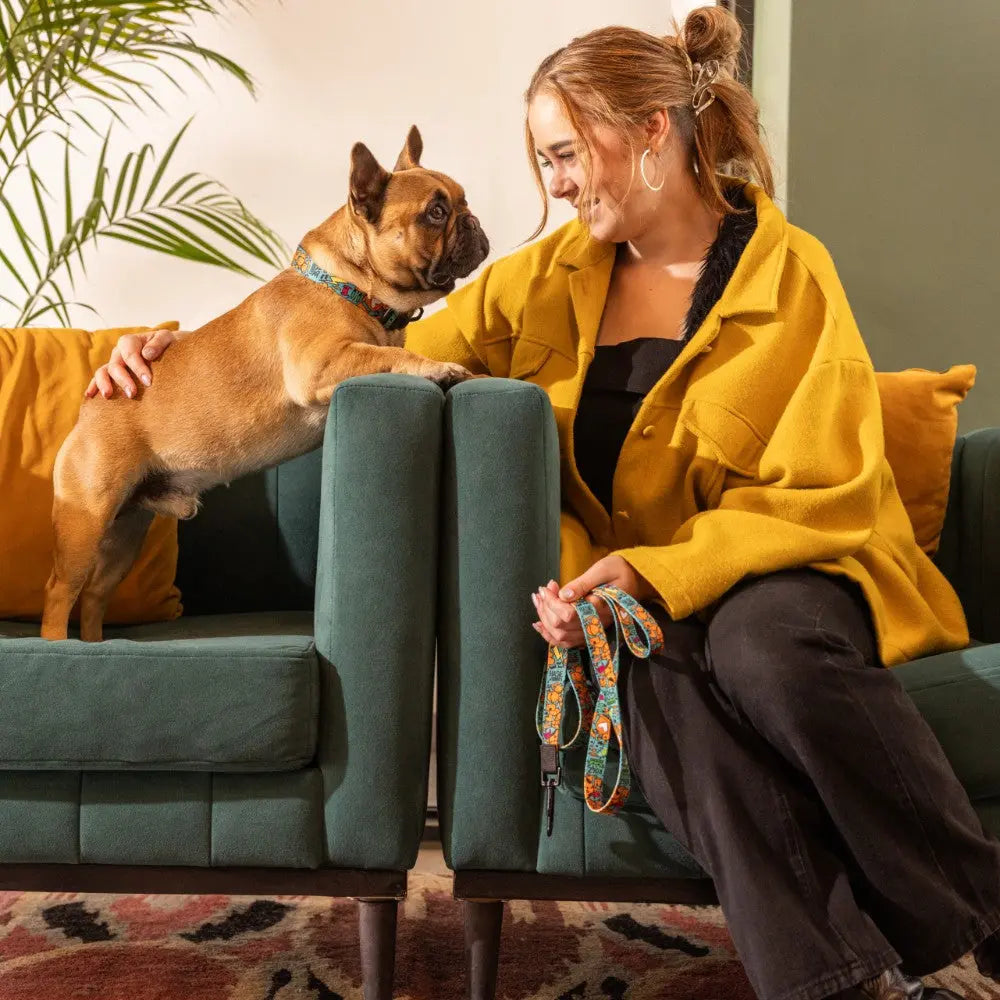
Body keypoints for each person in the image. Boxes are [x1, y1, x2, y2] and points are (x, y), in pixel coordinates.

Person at [86, 8, 1000, 1000]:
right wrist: (158, 356)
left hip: (788, 567)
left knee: (757, 651)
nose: (553, 183)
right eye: (543, 161)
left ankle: (981, 918)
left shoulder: (793, 276)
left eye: (563, 153)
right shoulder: (539, 283)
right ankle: (835, 980)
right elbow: (340, 312)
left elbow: (828, 491)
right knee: (641, 665)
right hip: (621, 595)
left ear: (652, 132)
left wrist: (659, 568)